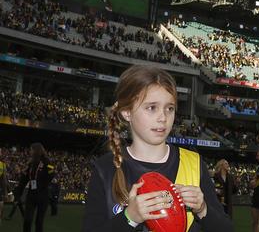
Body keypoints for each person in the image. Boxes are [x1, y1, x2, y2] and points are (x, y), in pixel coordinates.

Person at [82, 65, 233, 232]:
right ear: (127, 113)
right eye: (151, 108)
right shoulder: (105, 168)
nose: (163, 117)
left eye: (169, 108)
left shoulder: (193, 163)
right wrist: (129, 218)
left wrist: (203, 209)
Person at [14, 143, 55, 232]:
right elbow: (23, 179)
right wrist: (18, 194)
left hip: (43, 195)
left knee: (39, 222)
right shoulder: (30, 163)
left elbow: (51, 174)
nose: (30, 151)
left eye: (31, 149)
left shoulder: (47, 162)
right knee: (27, 220)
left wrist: (41, 184)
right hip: (31, 195)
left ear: (37, 150)